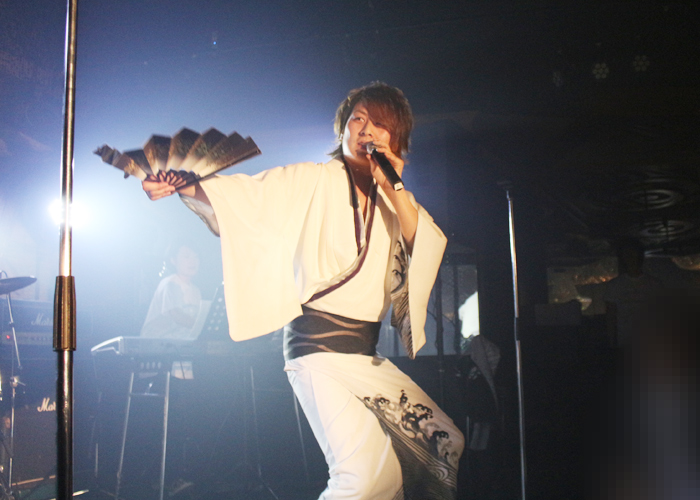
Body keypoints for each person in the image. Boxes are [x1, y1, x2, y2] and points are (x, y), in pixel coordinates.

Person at [143, 82, 464, 499]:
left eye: (380, 124)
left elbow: (426, 243)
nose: (366, 129)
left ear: (396, 138)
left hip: (364, 357)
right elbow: (252, 197)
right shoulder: (313, 179)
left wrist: (394, 189)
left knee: (439, 443)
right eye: (358, 119)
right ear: (343, 129)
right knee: (361, 478)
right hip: (318, 350)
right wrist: (186, 184)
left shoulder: (394, 199)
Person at [141, 243, 202, 339]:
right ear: (173, 260)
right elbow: (176, 315)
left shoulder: (196, 290)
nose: (192, 261)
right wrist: (202, 327)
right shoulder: (169, 283)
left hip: (181, 342)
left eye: (196, 257)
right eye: (186, 256)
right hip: (157, 343)